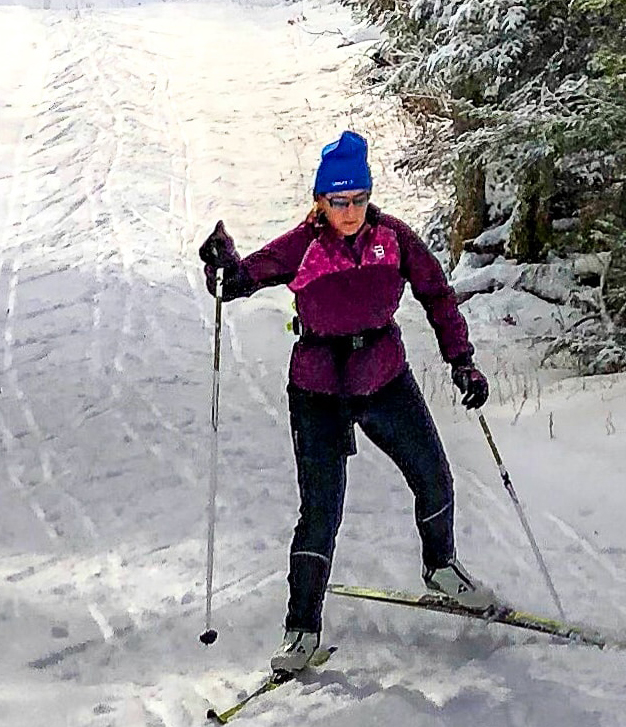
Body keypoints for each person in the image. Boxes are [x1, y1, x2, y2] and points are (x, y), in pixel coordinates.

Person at [200, 130, 495, 673]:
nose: (351, 210)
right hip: (318, 390)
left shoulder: (394, 239)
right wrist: (222, 264)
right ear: (320, 201)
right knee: (321, 510)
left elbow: (436, 295)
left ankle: (440, 566)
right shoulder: (303, 245)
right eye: (339, 201)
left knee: (433, 474)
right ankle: (302, 631)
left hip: (384, 377)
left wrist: (462, 361)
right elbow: (241, 279)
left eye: (358, 198)